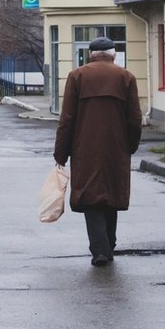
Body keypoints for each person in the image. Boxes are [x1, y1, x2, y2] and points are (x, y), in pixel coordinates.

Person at [53, 36, 143, 267]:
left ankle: (100, 250)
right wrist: (130, 146)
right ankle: (108, 245)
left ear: (90, 55)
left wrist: (61, 153)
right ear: (113, 55)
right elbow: (135, 119)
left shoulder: (77, 76)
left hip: (85, 148)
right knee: (110, 197)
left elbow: (67, 120)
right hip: (117, 148)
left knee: (91, 198)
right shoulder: (126, 77)